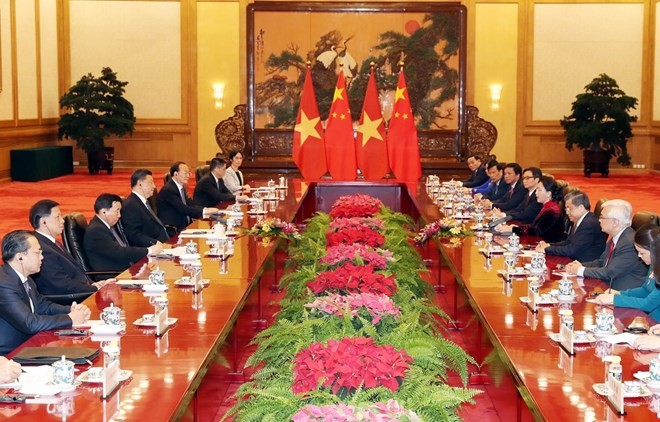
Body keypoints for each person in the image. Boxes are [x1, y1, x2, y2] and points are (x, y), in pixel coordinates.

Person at [0, 230, 91, 355]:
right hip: (10, 354)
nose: (42, 257)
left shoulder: (25, 278)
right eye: (38, 253)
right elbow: (29, 323)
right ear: (20, 257)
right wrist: (70, 319)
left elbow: (43, 305)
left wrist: (70, 309)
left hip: (29, 345)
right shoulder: (4, 284)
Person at [29, 200, 112, 297]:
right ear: (43, 221)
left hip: (80, 291)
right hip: (67, 299)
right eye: (57, 217)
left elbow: (76, 271)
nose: (62, 221)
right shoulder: (42, 248)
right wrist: (94, 288)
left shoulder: (52, 242)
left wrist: (93, 283)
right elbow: (61, 284)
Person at [565, 199, 648, 291]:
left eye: (602, 217)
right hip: (608, 289)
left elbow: (609, 272)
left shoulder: (629, 243)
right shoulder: (616, 237)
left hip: (623, 294)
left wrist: (580, 270)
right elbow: (602, 262)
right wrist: (579, 265)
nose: (599, 220)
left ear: (615, 222)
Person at [84, 194, 163, 272]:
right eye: (117, 211)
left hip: (125, 268)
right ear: (104, 212)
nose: (119, 215)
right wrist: (148, 250)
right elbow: (120, 253)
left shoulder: (107, 226)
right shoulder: (96, 231)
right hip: (113, 274)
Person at [595, 224, 660, 310]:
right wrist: (620, 293)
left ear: (655, 251)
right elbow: (645, 290)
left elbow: (648, 304)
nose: (639, 256)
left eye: (642, 253)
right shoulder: (654, 264)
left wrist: (615, 299)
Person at [536, 190, 607, 262]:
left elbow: (572, 251)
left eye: (569, 208)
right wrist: (549, 245)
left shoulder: (588, 224)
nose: (567, 212)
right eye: (566, 208)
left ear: (580, 208)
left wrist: (547, 249)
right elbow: (568, 242)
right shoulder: (581, 220)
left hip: (585, 265)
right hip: (575, 260)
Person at [496, 175, 566, 242]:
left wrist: (514, 229)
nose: (536, 193)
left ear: (548, 193)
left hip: (548, 245)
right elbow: (534, 226)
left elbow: (537, 231)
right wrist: (517, 227)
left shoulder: (553, 211)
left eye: (539, 190)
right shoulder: (547, 206)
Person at [157, 162, 218, 233]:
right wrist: (204, 212)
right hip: (174, 229)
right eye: (185, 173)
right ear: (175, 174)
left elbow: (191, 204)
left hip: (185, 226)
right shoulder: (169, 190)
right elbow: (183, 208)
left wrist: (206, 209)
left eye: (189, 173)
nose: (188, 176)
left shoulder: (181, 188)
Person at [122, 169, 170, 247]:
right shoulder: (130, 205)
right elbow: (133, 235)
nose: (154, 186)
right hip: (150, 249)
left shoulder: (144, 202)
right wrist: (156, 243)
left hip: (163, 244)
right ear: (140, 184)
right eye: (151, 182)